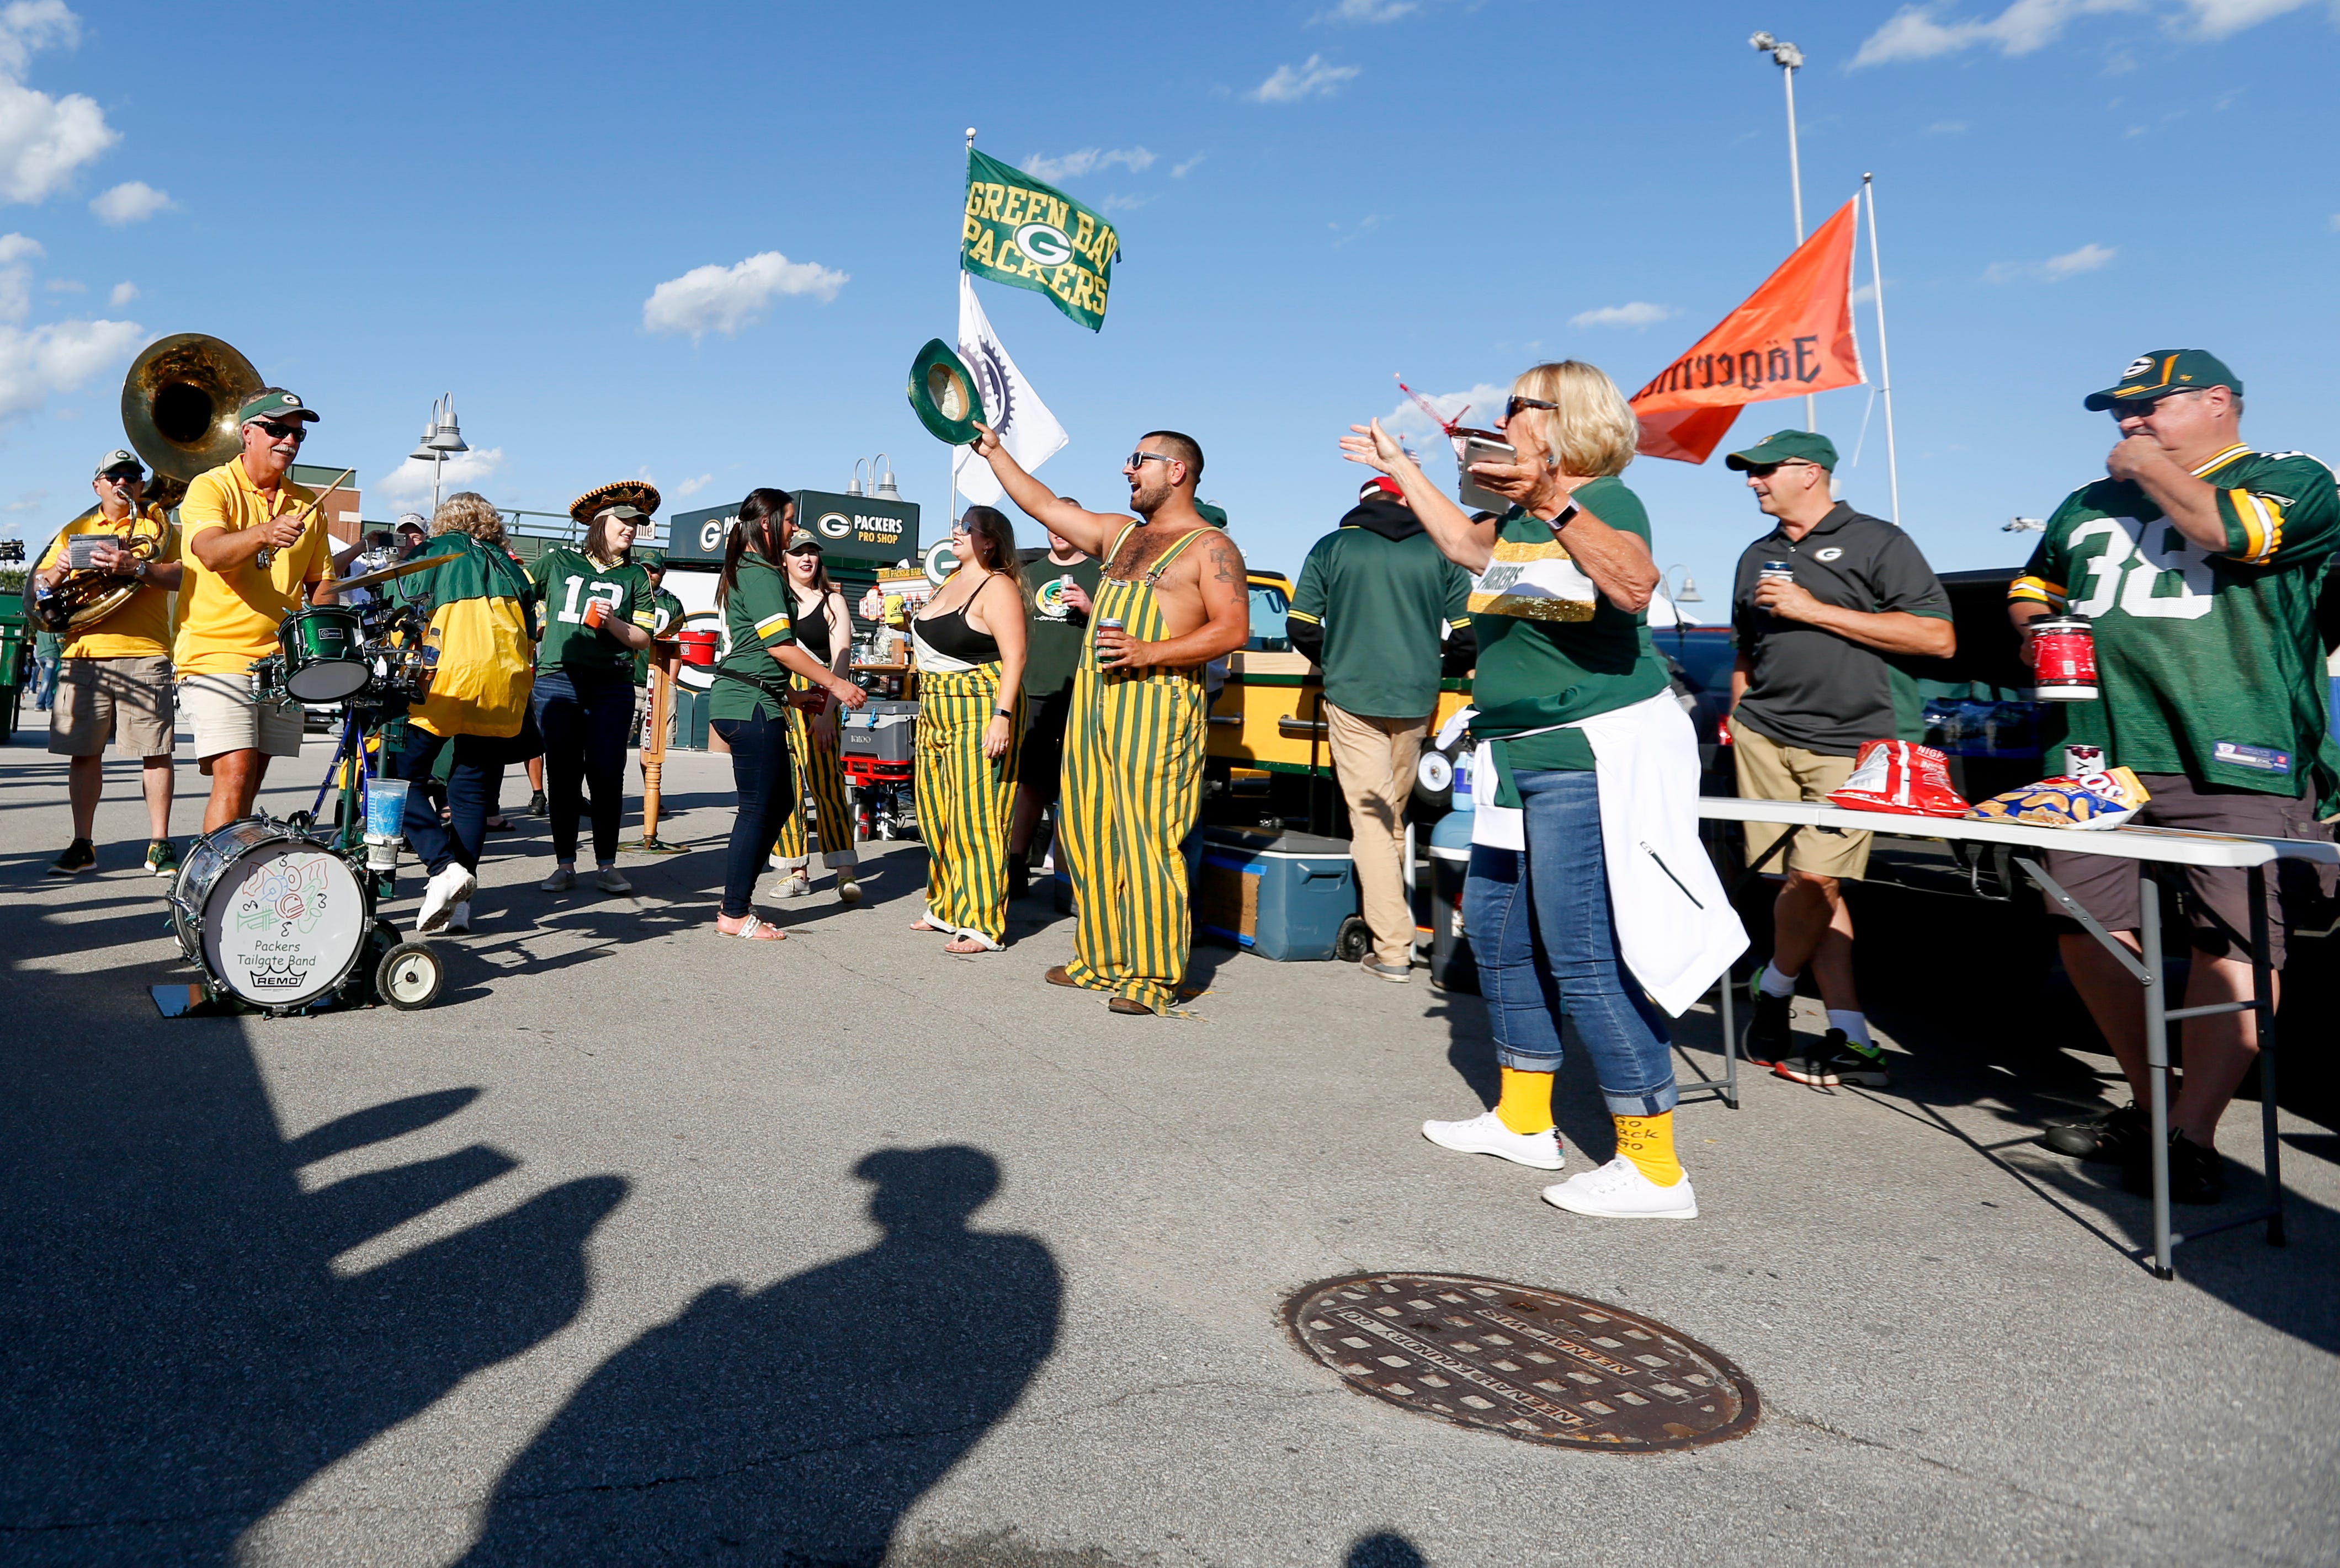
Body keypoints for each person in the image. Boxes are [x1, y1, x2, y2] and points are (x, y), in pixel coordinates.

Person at [1344, 360, 1741, 1222]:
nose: (1502, 415)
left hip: (1586, 746)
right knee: (1495, 927)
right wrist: (1403, 463)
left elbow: (1635, 586)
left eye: (1518, 404)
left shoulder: (1605, 498)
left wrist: (1557, 497)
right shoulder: (1520, 520)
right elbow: (1463, 544)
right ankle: (1525, 1119)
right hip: (1518, 751)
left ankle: (1654, 1166)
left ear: (1563, 419)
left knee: (1585, 950)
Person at [2012, 350, 2339, 1205]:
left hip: (2236, 747)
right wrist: (2035, 627)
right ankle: (2155, 1106)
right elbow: (2033, 582)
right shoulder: (2086, 501)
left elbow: (2227, 533)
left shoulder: (2291, 477)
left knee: (2231, 943)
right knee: (2080, 920)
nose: (2129, 423)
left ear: (2219, 403)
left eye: (2150, 407)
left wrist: (2152, 467)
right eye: (2121, 412)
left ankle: (2193, 1135)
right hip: (2091, 749)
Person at [972, 428, 1249, 1014]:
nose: (1127, 470)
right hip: (1096, 709)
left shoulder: (1212, 548)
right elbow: (1042, 504)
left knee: (1150, 843)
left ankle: (1152, 976)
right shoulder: (1120, 536)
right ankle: (1100, 959)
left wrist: (1150, 650)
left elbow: (1231, 629)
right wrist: (995, 451)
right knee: (1087, 833)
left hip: (1159, 709)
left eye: (1138, 460)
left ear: (1176, 471)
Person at [1724, 429, 1955, 1089]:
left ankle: (1772, 988)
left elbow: (1937, 638)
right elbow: (1747, 648)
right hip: (1764, 735)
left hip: (1856, 742)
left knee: (1814, 881)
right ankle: (1850, 1033)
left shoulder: (1880, 541)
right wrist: (1740, 717)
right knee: (1795, 885)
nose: (1752, 482)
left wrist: (1812, 609)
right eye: (1749, 473)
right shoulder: (1755, 554)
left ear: (1809, 472)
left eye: (1763, 471)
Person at [1288, 475, 1475, 982]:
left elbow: (1302, 624)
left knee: (1369, 819)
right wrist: (1435, 663)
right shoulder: (1439, 550)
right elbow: (1467, 635)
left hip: (1352, 696)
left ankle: (1393, 949)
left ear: (1362, 502)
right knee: (1392, 815)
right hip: (1415, 697)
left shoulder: (1333, 546)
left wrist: (1340, 659)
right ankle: (1389, 927)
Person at [173, 390, 337, 834]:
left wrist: (328, 643)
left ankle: (233, 879)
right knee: (236, 772)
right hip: (216, 653)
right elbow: (209, 552)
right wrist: (264, 533)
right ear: (247, 433)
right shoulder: (211, 486)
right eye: (277, 429)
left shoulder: (308, 504)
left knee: (250, 783)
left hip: (279, 661)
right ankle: (209, 893)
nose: (290, 440)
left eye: (298, 433)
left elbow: (321, 585)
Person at [708, 488, 869, 940]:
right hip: (748, 705)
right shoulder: (760, 573)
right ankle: (735, 912)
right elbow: (779, 647)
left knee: (776, 803)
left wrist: (797, 699)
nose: (796, 529)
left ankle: (736, 901)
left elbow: (755, 650)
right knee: (760, 806)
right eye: (791, 520)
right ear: (766, 524)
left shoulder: (754, 569)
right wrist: (835, 684)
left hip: (755, 697)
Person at [380, 492, 539, 935]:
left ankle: (441, 868)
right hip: (504, 689)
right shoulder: (513, 566)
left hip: (447, 682)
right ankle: (461, 903)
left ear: (443, 522)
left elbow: (396, 613)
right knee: (470, 794)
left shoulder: (429, 553)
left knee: (396, 778)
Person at [31, 449, 184, 876]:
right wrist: (59, 571)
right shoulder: (74, 530)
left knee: (156, 752)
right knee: (84, 753)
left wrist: (136, 566)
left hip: (145, 649)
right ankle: (83, 843)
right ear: (97, 485)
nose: (125, 483)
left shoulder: (160, 525)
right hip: (84, 654)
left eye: (133, 476)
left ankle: (160, 843)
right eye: (114, 476)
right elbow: (40, 590)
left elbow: (184, 576)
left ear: (141, 483)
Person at [886, 506, 1028, 953]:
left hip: (980, 703)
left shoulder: (998, 585)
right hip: (935, 705)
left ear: (989, 541)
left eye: (966, 528)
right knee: (935, 811)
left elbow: (1016, 657)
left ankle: (983, 922)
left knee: (979, 815)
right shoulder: (950, 581)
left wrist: (1001, 717)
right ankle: (946, 906)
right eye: (957, 526)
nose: (956, 532)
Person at [531, 484, 661, 893]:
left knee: (608, 774)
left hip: (612, 684)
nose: (632, 530)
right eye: (625, 522)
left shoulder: (636, 575)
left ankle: (607, 863)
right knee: (564, 775)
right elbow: (518, 595)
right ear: (601, 522)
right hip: (558, 679)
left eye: (637, 524)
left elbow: (643, 638)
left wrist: (611, 624)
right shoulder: (558, 560)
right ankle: (565, 864)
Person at [1007, 521, 1101, 897]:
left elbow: (1122, 629)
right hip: (1034, 691)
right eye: (1052, 525)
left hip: (1083, 692)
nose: (1059, 532)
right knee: (1029, 783)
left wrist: (1090, 607)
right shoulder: (1029, 576)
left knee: (1081, 786)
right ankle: (1016, 865)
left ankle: (1075, 871)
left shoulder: (1100, 575)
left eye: (1067, 525)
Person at [770, 531, 863, 903]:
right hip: (780, 698)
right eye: (798, 553)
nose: (806, 559)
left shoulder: (833, 600)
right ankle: (796, 872)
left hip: (821, 694)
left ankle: (845, 872)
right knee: (785, 787)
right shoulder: (774, 599)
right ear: (785, 560)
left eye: (812, 553)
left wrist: (828, 712)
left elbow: (842, 656)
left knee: (826, 783)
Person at [629, 548, 685, 807]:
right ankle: (605, 796)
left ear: (662, 572)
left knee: (652, 746)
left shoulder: (672, 604)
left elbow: (676, 648)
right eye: (645, 569)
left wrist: (670, 682)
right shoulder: (628, 594)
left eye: (653, 569)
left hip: (657, 680)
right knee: (610, 743)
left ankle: (651, 796)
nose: (649, 573)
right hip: (628, 679)